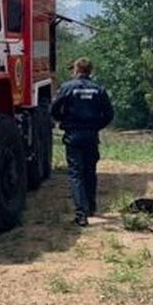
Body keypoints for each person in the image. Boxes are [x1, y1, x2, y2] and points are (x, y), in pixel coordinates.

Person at [51, 57, 114, 227]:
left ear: (77, 70)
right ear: (90, 71)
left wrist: (62, 120)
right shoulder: (99, 89)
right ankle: (91, 207)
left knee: (76, 174)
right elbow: (109, 114)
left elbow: (54, 109)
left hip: (73, 135)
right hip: (91, 136)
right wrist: (96, 126)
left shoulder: (67, 87)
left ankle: (81, 214)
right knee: (90, 171)